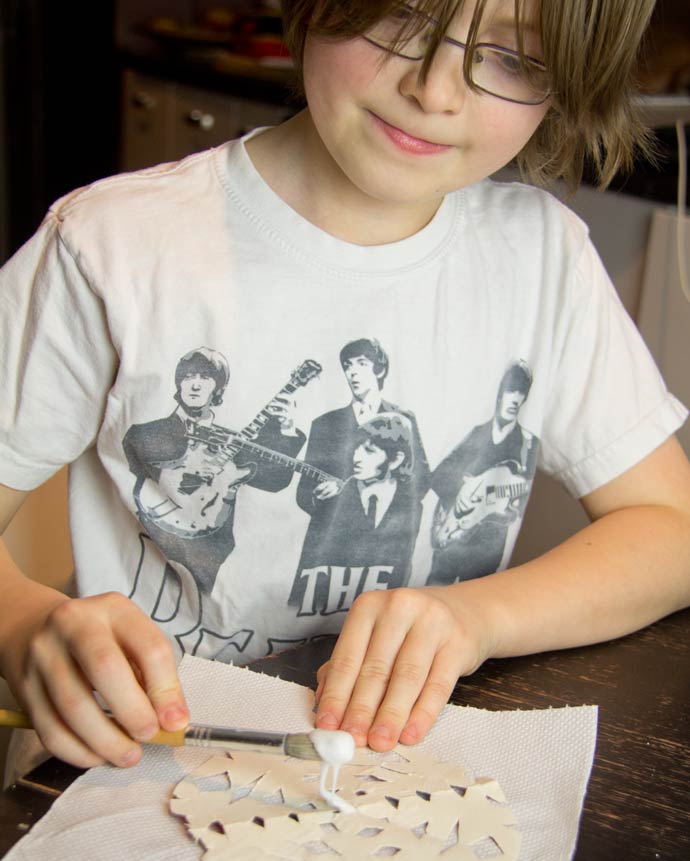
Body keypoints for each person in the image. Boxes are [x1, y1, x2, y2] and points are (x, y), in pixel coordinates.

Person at [1, 0, 690, 773]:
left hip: (397, 765)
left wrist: (478, 618)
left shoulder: (543, 259)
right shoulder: (112, 247)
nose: (435, 91)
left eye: (515, 60)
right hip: (136, 757)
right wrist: (24, 626)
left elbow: (671, 527)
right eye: (404, 19)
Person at [122, 346, 306, 658]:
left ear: (217, 388)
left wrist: (285, 429)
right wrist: (188, 464)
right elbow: (142, 456)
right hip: (158, 542)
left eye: (205, 378)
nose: (195, 384)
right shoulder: (146, 431)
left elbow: (275, 480)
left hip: (218, 546)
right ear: (179, 384)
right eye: (189, 376)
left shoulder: (233, 440)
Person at [289, 337, 430, 608]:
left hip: (386, 551)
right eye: (348, 366)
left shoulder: (404, 420)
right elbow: (304, 494)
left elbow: (421, 481)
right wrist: (322, 496)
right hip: (329, 557)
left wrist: (384, 488)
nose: (353, 372)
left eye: (362, 364)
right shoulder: (325, 424)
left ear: (379, 369)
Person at [293, 411, 424, 616]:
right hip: (321, 612)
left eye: (370, 451)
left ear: (396, 460)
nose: (357, 457)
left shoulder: (410, 507)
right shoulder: (334, 496)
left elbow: (401, 568)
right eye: (357, 448)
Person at [428, 360, 538, 584]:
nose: (515, 399)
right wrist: (464, 487)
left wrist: (504, 507)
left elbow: (515, 506)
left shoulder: (528, 445)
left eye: (521, 393)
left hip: (487, 548)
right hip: (451, 537)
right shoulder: (477, 434)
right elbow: (437, 477)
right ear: (500, 394)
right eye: (511, 391)